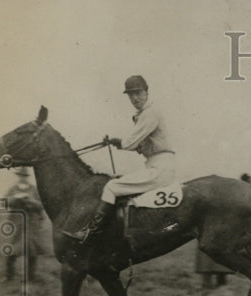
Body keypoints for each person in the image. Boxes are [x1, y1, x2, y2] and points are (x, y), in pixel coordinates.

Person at [62, 75, 176, 243]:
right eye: (130, 95)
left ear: (146, 92)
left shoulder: (150, 113)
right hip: (156, 165)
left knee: (112, 187)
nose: (134, 98)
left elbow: (130, 143)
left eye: (138, 93)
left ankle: (91, 232)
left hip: (161, 168)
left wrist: (119, 142)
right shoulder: (145, 114)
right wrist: (121, 143)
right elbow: (139, 145)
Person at [3, 166, 46, 282]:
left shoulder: (33, 190)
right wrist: (15, 198)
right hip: (17, 223)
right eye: (21, 176)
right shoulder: (13, 189)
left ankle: (31, 277)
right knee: (12, 249)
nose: (23, 178)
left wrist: (30, 200)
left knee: (32, 251)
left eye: (25, 176)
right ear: (18, 177)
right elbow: (4, 202)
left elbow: (41, 205)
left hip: (32, 224)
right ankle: (9, 276)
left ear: (28, 177)